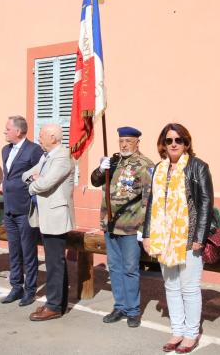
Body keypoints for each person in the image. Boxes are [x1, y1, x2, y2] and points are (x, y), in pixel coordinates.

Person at [142, 123, 214, 354]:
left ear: (186, 143)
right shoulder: (159, 169)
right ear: (163, 144)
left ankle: (191, 334)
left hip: (188, 236)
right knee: (171, 286)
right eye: (169, 140)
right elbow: (152, 204)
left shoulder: (197, 167)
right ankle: (177, 330)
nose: (174, 144)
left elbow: (205, 203)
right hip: (164, 237)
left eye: (179, 140)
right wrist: (146, 234)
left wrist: (199, 236)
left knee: (190, 287)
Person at [90, 126, 154, 328]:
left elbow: (148, 199)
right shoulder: (114, 161)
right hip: (110, 225)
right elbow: (95, 180)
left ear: (137, 142)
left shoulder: (145, 165)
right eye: (121, 141)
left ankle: (133, 310)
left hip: (130, 227)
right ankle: (120, 306)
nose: (124, 145)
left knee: (130, 269)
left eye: (128, 141)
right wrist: (101, 168)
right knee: (115, 268)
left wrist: (145, 229)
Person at [22, 123, 75, 321]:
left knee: (55, 262)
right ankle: (57, 303)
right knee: (55, 261)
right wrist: (36, 179)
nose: (38, 139)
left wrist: (35, 182)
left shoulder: (62, 156)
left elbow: (45, 183)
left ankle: (53, 305)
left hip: (56, 216)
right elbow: (26, 175)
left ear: (53, 137)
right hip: (47, 216)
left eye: (41, 135)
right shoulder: (46, 156)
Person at [0, 115, 44, 306]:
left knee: (28, 252)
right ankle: (16, 286)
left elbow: (40, 176)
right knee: (14, 251)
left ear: (18, 131)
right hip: (9, 208)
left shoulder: (34, 150)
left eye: (7, 129)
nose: (5, 132)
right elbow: (8, 176)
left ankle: (30, 289)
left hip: (26, 208)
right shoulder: (5, 150)